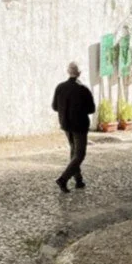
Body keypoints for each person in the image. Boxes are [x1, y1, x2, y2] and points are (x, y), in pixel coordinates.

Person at [51, 61, 96, 191]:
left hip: (66, 124)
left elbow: (54, 106)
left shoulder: (60, 87)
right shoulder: (83, 89)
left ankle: (78, 180)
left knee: (73, 151)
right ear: (79, 73)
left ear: (68, 72)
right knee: (80, 154)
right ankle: (63, 179)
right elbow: (91, 109)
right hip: (79, 126)